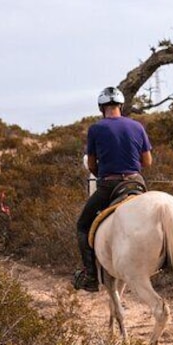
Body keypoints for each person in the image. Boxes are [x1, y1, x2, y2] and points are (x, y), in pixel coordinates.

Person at [74, 86, 153, 292]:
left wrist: (103, 172)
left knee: (82, 226)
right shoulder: (137, 126)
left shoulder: (96, 129)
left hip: (109, 185)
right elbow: (148, 161)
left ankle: (90, 276)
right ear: (121, 105)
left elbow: (91, 164)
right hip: (136, 182)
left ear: (102, 108)